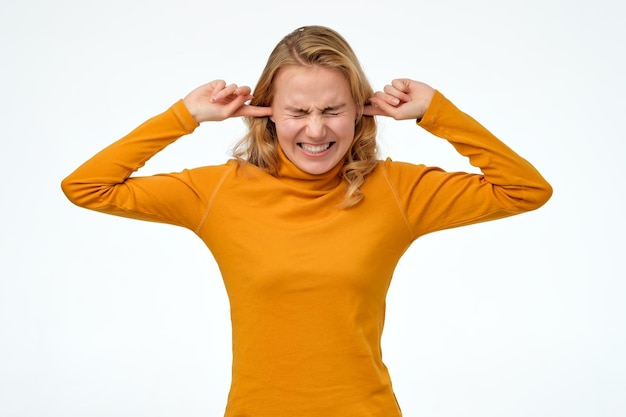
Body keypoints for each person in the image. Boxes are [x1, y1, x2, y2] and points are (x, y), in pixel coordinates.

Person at [61, 25, 552, 417]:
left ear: (360, 112)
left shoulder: (398, 191)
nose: (316, 129)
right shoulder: (219, 193)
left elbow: (525, 190)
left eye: (333, 110)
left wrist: (437, 112)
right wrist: (184, 115)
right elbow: (86, 187)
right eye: (297, 110)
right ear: (266, 112)